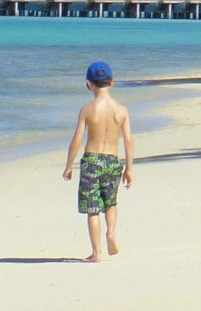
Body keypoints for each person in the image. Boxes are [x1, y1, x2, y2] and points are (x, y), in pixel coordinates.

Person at [61, 60, 134, 262]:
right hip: (113, 161)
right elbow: (128, 140)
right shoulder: (122, 111)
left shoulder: (87, 110)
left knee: (92, 209)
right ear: (113, 82)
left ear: (88, 84)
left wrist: (69, 166)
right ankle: (111, 232)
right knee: (110, 202)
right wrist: (129, 168)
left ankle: (96, 253)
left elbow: (77, 139)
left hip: (92, 161)